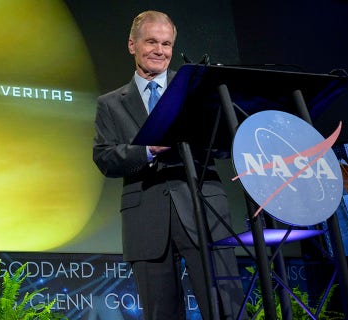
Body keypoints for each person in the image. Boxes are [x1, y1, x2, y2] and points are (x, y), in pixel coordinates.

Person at [92, 10, 246, 320]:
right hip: (146, 221)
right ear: (132, 45)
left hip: (204, 211)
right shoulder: (110, 103)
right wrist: (148, 150)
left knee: (227, 311)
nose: (160, 51)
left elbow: (227, 143)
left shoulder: (196, 88)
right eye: (151, 42)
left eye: (166, 43)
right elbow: (105, 157)